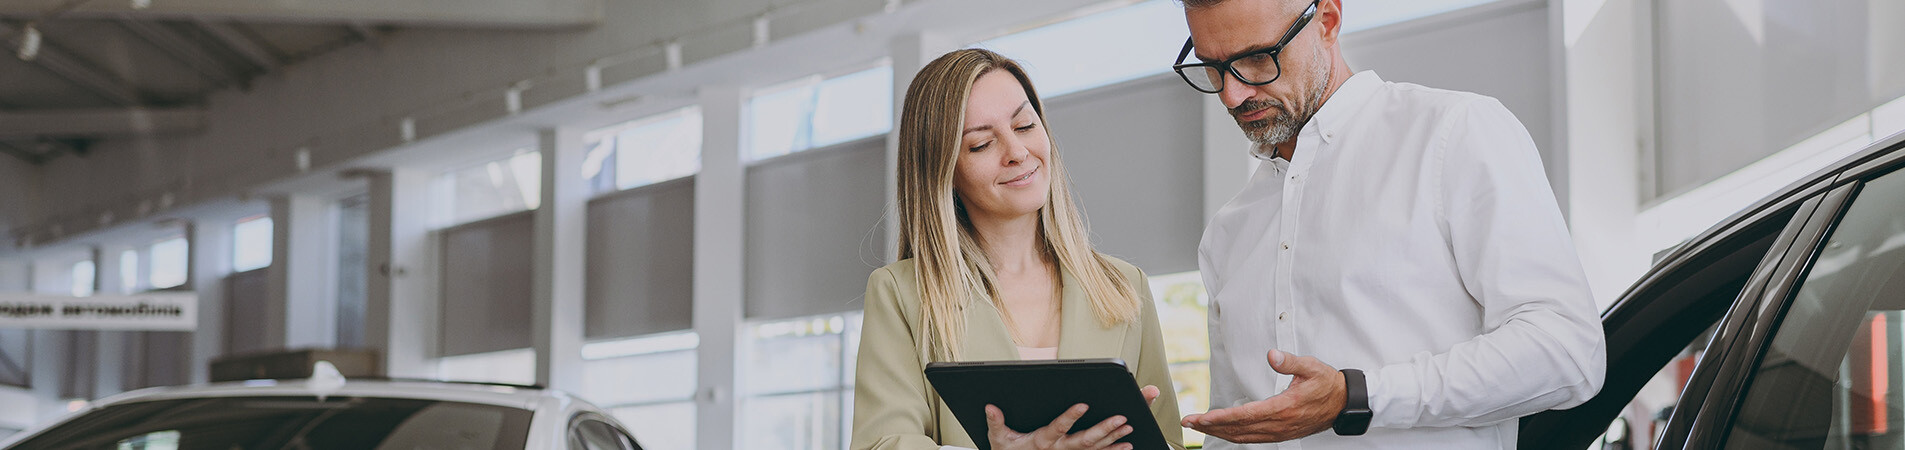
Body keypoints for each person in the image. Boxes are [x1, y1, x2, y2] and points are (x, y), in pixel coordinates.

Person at [1172, 0, 1607, 448]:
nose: (1232, 95)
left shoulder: (1453, 134)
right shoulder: (1226, 234)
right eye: (1213, 67)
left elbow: (1567, 350)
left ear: (1327, 21)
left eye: (1257, 59)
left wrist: (1357, 396)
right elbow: (1233, 432)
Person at [849, 48, 1186, 450]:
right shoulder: (901, 293)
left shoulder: (1124, 285)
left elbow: (1168, 442)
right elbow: (883, 444)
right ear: (942, 171)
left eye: (1025, 125)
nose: (1018, 152)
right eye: (981, 145)